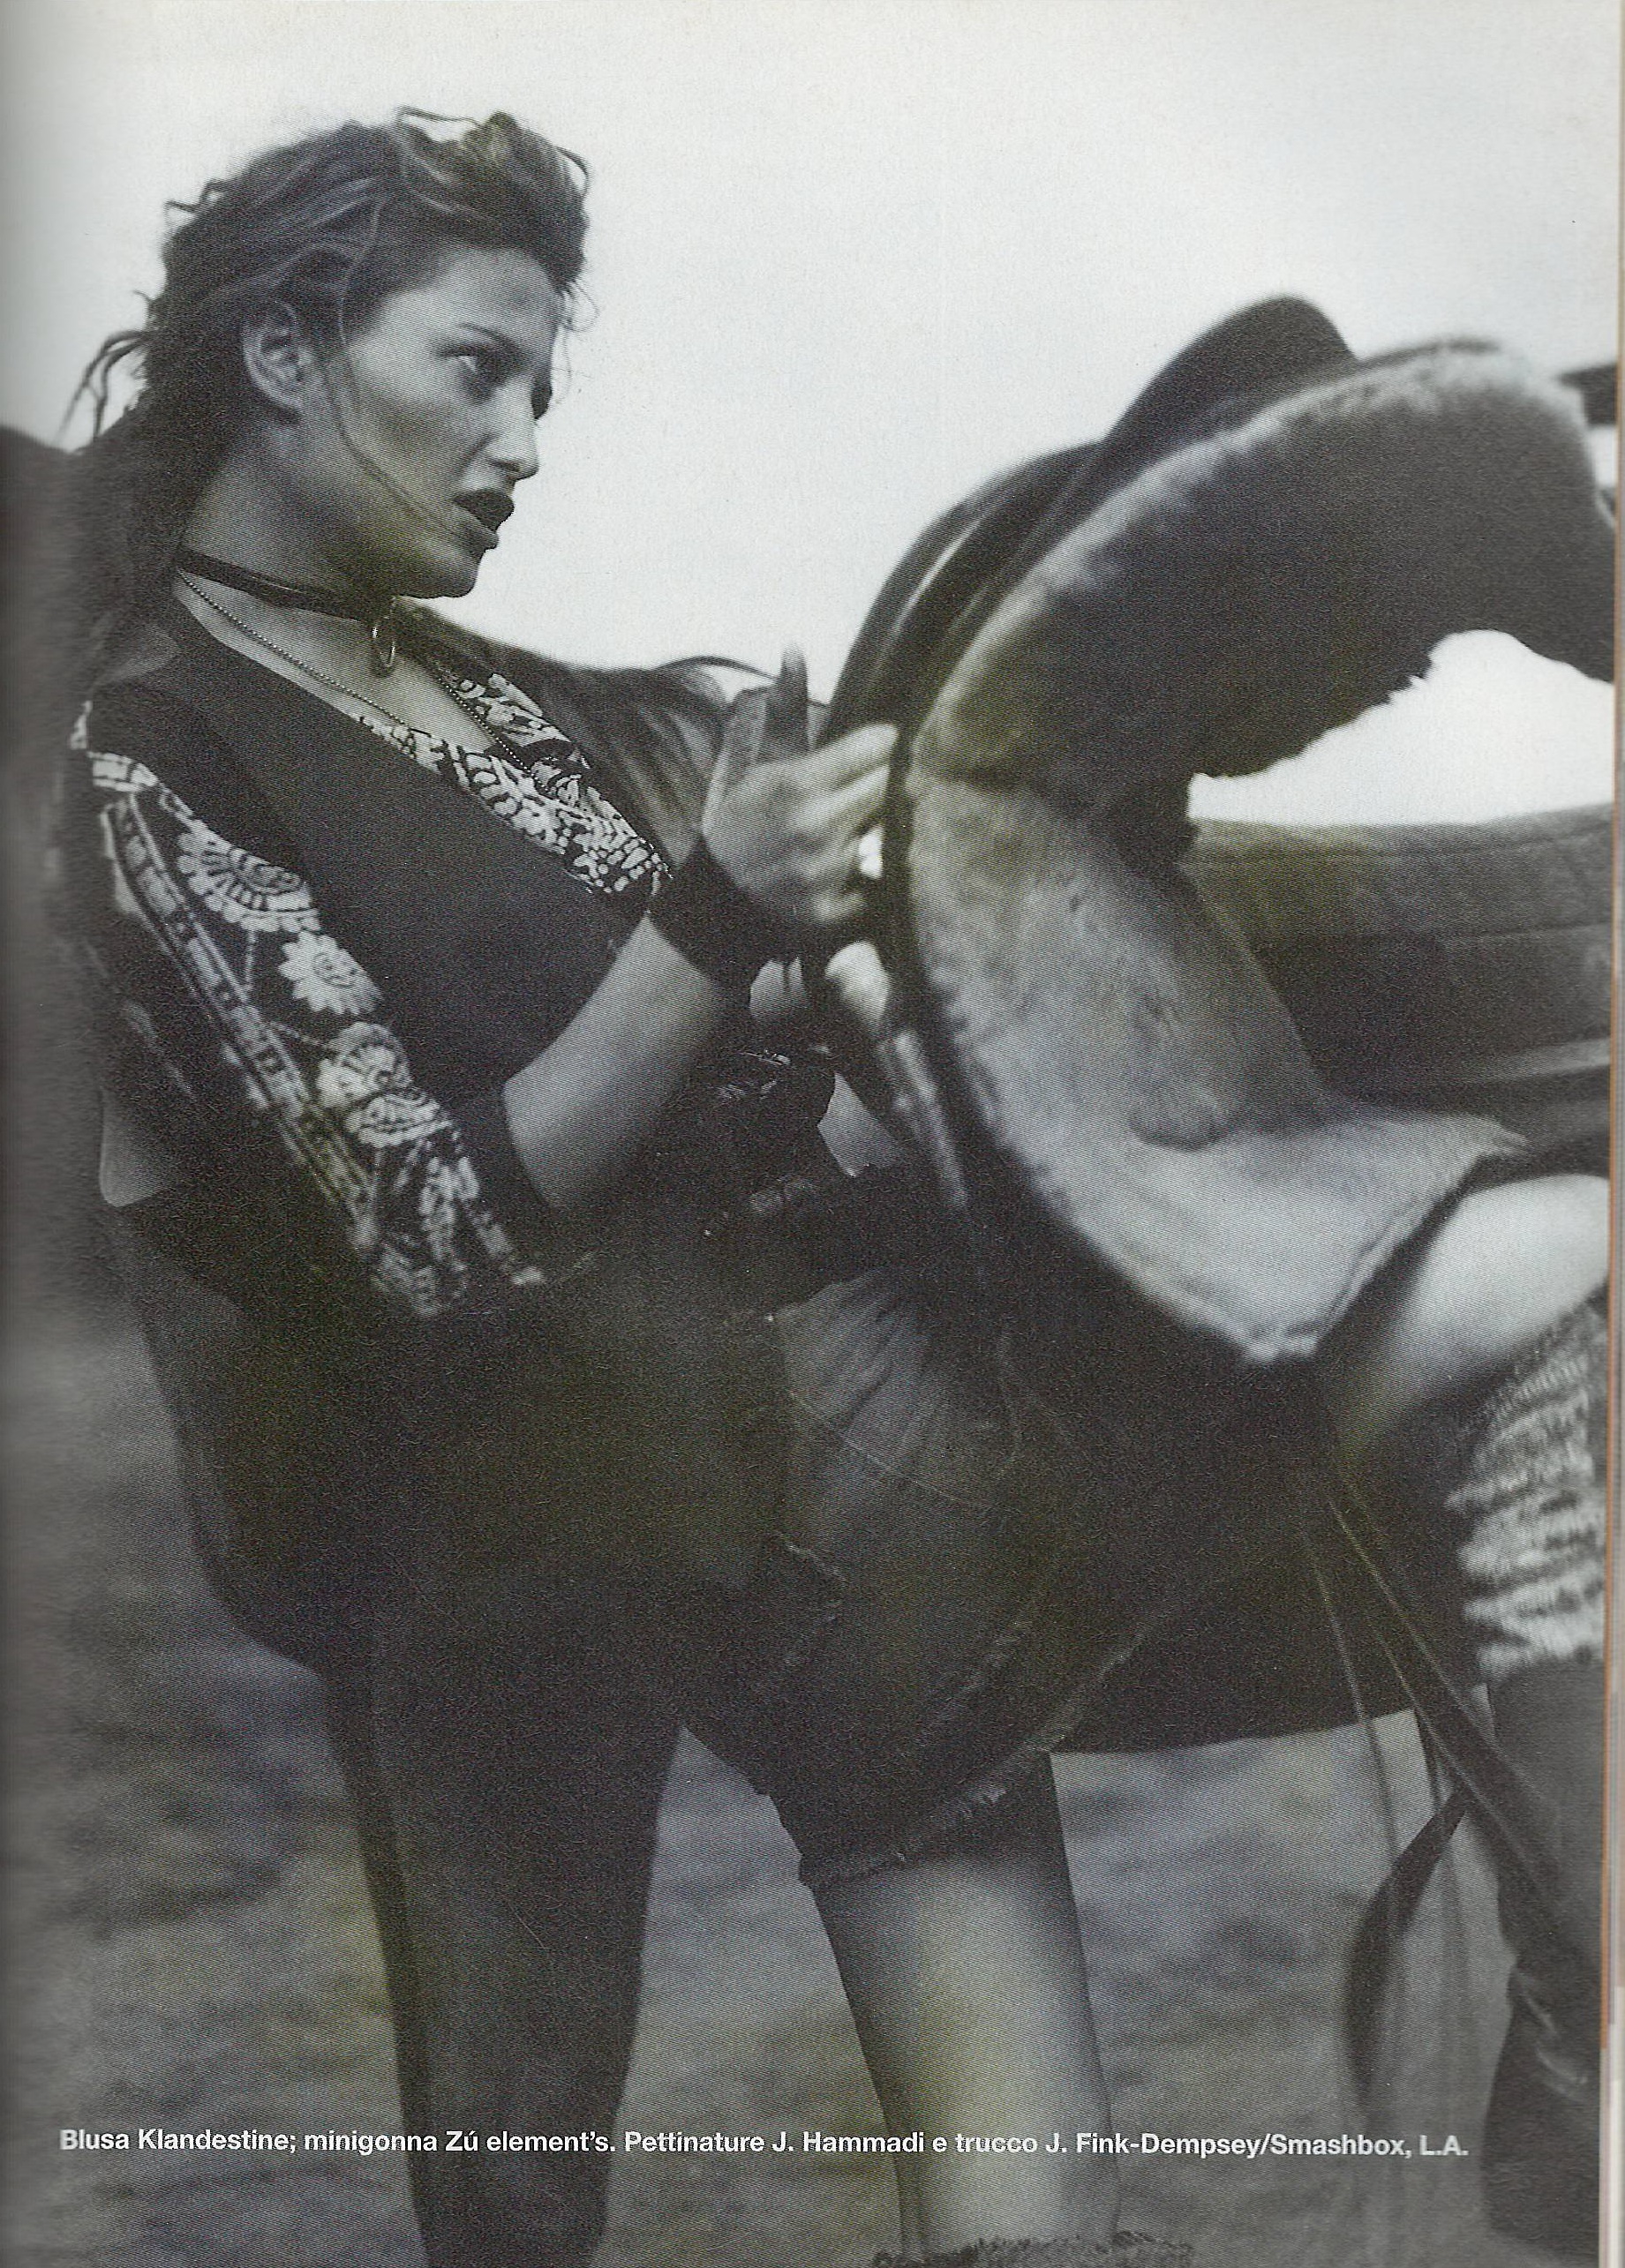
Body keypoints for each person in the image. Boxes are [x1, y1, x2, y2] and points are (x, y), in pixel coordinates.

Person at [48, 110, 1606, 2268]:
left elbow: (699, 1033)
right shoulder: (153, 758)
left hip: (798, 1506)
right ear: (289, 354)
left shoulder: (472, 693)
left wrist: (851, 936)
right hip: (770, 1481)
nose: (521, 444)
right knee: (1572, 1258)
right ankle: (1580, 2004)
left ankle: (1576, 2008)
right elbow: (420, 1233)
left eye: (541, 389)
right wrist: (715, 912)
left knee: (1023, 2226)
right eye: (476, 370)